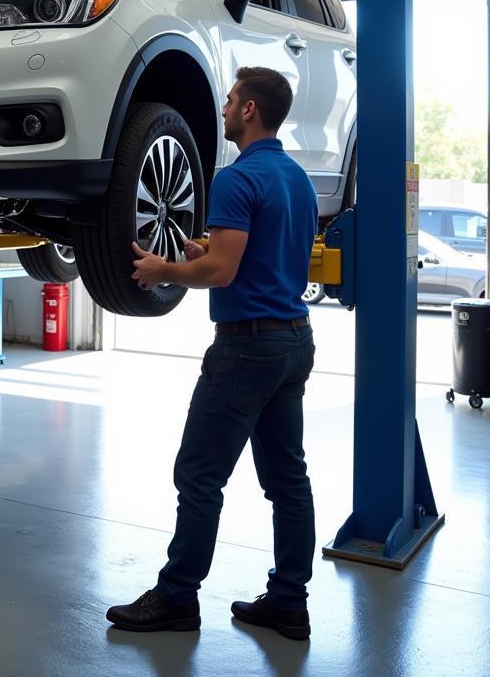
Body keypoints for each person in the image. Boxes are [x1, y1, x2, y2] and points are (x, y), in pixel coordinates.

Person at [107, 66, 318, 640]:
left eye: (229, 101)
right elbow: (255, 253)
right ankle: (288, 602)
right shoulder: (296, 178)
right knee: (287, 481)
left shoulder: (235, 178)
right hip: (293, 340)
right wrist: (206, 249)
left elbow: (220, 270)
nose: (223, 110)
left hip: (247, 347)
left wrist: (164, 268)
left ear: (248, 110)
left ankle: (176, 598)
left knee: (199, 475)